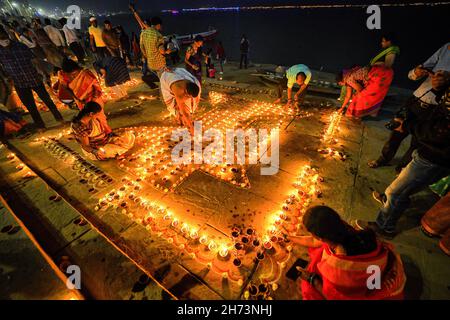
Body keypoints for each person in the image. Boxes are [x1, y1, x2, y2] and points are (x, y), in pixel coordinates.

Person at [355, 80, 450, 238]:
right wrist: (440, 90)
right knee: (402, 187)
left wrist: (407, 127)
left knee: (397, 192)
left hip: (435, 157)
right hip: (428, 150)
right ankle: (390, 201)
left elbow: (441, 132)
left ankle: (384, 227)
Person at [290, 206, 406, 300]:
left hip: (375, 290)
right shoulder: (354, 231)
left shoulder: (336, 270)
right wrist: (290, 237)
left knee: (308, 289)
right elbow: (314, 241)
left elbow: (332, 296)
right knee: (320, 252)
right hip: (377, 271)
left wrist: (313, 280)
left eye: (312, 234)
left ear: (320, 237)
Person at [368, 42, 450, 170]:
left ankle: (401, 168)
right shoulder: (446, 48)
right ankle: (383, 159)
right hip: (415, 100)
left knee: (417, 142)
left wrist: (446, 83)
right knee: (396, 134)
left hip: (436, 109)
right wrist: (416, 72)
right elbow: (414, 73)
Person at [0, 29, 64, 130]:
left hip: (33, 78)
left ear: (7, 34)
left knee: (47, 100)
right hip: (19, 82)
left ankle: (59, 118)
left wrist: (43, 73)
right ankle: (40, 126)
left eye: (4, 36)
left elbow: (34, 60)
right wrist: (6, 77)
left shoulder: (20, 46)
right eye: (1, 38)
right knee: (30, 106)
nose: (4, 39)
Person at [160, 67, 201, 135]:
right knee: (178, 105)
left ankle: (182, 118)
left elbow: (193, 95)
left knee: (188, 103)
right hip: (167, 77)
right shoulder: (178, 89)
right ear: (185, 91)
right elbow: (184, 111)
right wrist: (191, 127)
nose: (188, 98)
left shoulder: (193, 83)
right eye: (188, 96)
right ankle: (178, 117)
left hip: (180, 73)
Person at [140, 16, 172, 85]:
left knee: (158, 77)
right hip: (159, 64)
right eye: (161, 26)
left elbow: (142, 47)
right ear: (158, 25)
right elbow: (161, 51)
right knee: (163, 81)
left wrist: (147, 56)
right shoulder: (158, 35)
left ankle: (146, 78)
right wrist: (167, 51)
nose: (161, 28)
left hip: (150, 63)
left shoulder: (144, 33)